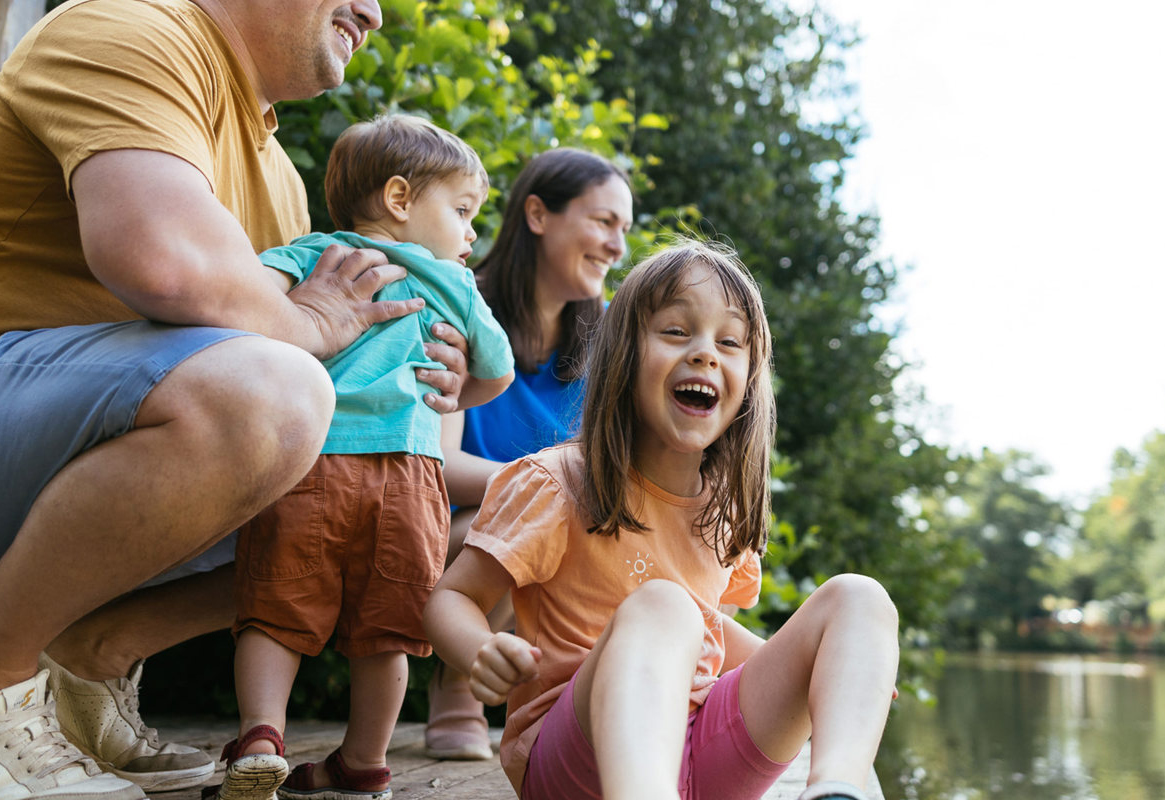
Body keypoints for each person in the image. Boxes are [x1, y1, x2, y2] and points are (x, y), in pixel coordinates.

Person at [0, 0, 471, 796]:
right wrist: (307, 323)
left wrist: (423, 374)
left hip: (31, 467)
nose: (373, 10)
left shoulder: (279, 178)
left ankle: (89, 661)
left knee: (371, 494)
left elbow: (304, 359)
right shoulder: (130, 28)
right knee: (270, 394)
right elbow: (164, 259)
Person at [423, 241, 900, 800]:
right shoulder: (557, 483)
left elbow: (712, 632)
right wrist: (479, 650)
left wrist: (827, 664)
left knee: (859, 599)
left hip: (703, 752)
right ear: (624, 355)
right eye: (676, 331)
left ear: (749, 381)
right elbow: (451, 598)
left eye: (729, 342)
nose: (705, 354)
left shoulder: (724, 510)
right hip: (577, 759)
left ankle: (836, 789)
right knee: (666, 605)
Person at [210, 113, 514, 800]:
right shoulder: (455, 285)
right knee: (391, 630)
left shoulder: (314, 255)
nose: (471, 233)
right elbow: (498, 373)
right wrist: (458, 387)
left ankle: (259, 737)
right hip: (410, 477)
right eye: (462, 211)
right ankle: (364, 761)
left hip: (309, 464)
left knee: (274, 610)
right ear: (400, 198)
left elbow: (242, 299)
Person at [424, 147, 634, 760]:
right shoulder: (460, 307)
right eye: (603, 221)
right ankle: (457, 684)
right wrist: (545, 484)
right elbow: (438, 466)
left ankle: (563, 705)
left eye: (624, 228)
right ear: (539, 215)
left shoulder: (607, 344)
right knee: (536, 516)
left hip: (545, 545)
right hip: (439, 539)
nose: (617, 245)